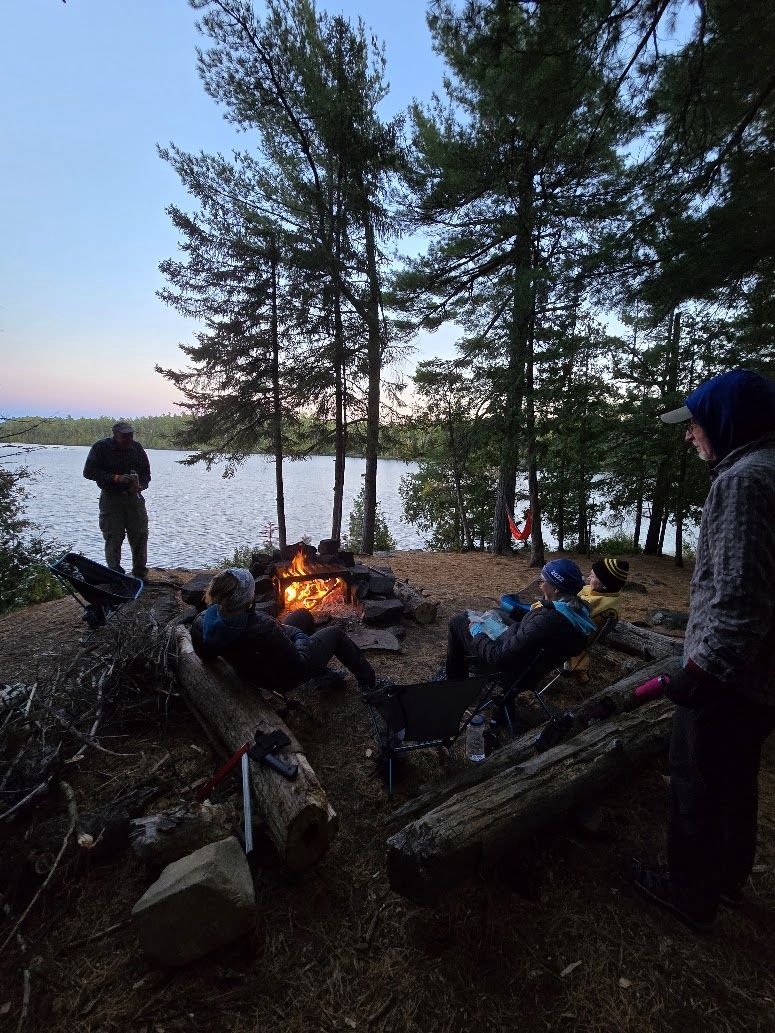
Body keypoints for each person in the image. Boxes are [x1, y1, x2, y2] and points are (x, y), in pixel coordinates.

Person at [632, 368, 775, 931]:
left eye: (695, 424)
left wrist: (705, 670)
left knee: (696, 778)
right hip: (763, 679)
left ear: (725, 422)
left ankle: (689, 892)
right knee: (738, 779)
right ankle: (729, 879)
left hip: (732, 680)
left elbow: (742, 598)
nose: (690, 435)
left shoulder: (743, 482)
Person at [191, 567, 379, 694]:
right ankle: (370, 683)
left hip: (254, 669)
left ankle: (322, 674)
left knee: (303, 614)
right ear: (247, 599)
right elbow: (298, 663)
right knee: (335, 634)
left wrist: (286, 631)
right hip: (283, 677)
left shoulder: (202, 623)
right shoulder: (263, 628)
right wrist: (297, 636)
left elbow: (205, 654)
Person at [444, 558, 596, 689]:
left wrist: (478, 634)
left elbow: (498, 657)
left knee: (458, 622)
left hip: (507, 673)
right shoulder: (575, 614)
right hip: (529, 672)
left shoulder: (547, 621)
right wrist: (514, 613)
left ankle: (455, 686)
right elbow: (532, 628)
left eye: (542, 581)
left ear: (556, 588)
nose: (539, 584)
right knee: (481, 614)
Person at [83, 421, 151, 578]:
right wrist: (115, 478)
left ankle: (140, 573)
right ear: (115, 436)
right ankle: (115, 575)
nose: (128, 440)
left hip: (134, 499)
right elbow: (88, 472)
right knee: (113, 536)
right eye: (124, 437)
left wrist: (141, 485)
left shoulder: (137, 448)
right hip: (111, 499)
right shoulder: (101, 448)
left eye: (130, 436)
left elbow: (146, 474)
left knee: (140, 534)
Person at [564, 558, 629, 683]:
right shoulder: (601, 591)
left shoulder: (604, 607)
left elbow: (580, 632)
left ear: (605, 583)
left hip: (566, 638)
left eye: (593, 576)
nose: (588, 579)